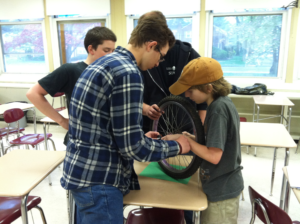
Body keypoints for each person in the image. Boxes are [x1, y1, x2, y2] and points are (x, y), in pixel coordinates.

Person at [61, 14, 191, 224]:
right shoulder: (128, 73)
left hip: (82, 172)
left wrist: (139, 136)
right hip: (100, 180)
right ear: (151, 45)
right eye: (162, 55)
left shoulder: (105, 62)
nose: (159, 63)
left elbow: (102, 124)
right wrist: (177, 146)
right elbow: (133, 149)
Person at [164, 57, 244, 224]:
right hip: (218, 183)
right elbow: (215, 142)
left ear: (208, 88)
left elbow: (214, 155)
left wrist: (186, 141)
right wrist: (188, 138)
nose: (186, 95)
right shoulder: (221, 103)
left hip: (222, 190)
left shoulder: (217, 110)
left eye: (190, 91)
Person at [26, 26, 117, 145]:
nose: (111, 55)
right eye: (106, 50)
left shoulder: (111, 72)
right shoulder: (71, 70)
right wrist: (62, 121)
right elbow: (33, 93)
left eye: (113, 51)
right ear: (91, 49)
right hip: (81, 140)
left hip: (107, 139)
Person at [139, 12, 207, 134]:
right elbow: (130, 100)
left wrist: (201, 132)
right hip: (151, 130)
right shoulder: (138, 61)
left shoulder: (188, 54)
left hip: (186, 129)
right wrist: (146, 109)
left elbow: (204, 97)